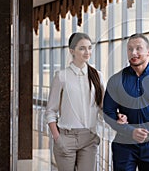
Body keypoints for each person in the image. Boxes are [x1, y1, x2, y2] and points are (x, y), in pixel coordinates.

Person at [103, 33, 149, 171]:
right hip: (124, 144)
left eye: (138, 48)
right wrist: (129, 131)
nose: (134, 53)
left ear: (148, 52)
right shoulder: (116, 80)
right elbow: (108, 112)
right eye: (130, 49)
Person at [45, 32, 105, 171]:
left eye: (89, 48)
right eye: (82, 48)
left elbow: (103, 107)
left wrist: (118, 116)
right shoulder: (61, 76)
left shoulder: (98, 76)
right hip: (66, 137)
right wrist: (57, 138)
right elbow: (50, 111)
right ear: (72, 51)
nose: (87, 52)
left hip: (89, 138)